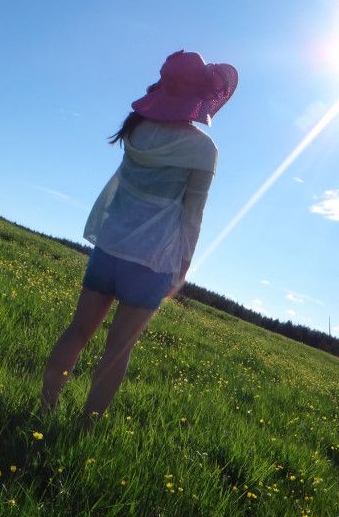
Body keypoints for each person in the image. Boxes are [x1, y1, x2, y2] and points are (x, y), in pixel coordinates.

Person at [41, 51, 235, 430]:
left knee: (78, 331)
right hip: (152, 263)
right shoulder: (203, 149)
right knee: (117, 352)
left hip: (108, 249)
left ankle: (44, 411)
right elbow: (192, 216)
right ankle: (84, 430)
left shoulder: (136, 128)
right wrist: (182, 271)